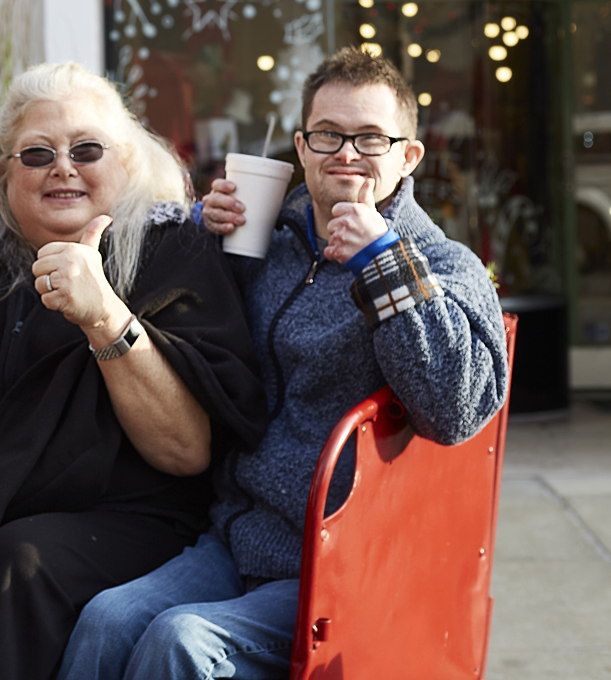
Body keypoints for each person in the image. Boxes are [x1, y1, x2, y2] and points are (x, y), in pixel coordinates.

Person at [57, 47, 508, 680]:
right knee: (107, 618)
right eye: (328, 135)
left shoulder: (440, 264)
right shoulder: (273, 239)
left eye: (370, 138)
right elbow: (201, 335)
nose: (345, 154)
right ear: (301, 146)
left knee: (180, 640)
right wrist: (198, 230)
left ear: (409, 155)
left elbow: (456, 411)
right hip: (235, 533)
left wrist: (381, 260)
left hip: (342, 560)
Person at [0, 62, 267, 680]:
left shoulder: (174, 250)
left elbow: (185, 451)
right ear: (6, 174)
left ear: (129, 162)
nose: (63, 167)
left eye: (86, 149)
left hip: (127, 518)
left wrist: (104, 317)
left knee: (19, 560)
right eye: (37, 155)